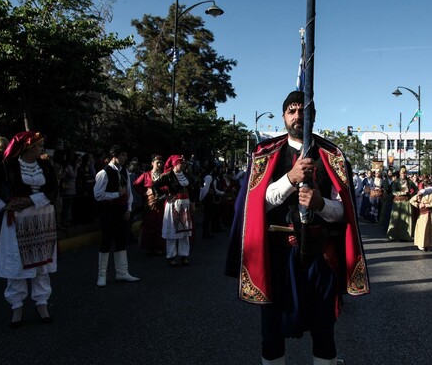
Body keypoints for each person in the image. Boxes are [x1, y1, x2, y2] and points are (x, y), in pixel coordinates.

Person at [225, 91, 369, 365]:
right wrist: (289, 180)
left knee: (324, 328)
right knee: (272, 330)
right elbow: (254, 206)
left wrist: (320, 204)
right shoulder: (265, 155)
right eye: (291, 111)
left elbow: (343, 212)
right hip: (277, 255)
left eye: (304, 111)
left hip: (320, 255)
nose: (297, 116)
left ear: (313, 117)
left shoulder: (333, 156)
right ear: (283, 116)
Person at [0, 132, 57, 327]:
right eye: (39, 145)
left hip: (42, 220)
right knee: (17, 264)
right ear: (28, 147)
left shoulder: (44, 165)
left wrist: (31, 200)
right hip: (18, 221)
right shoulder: (8, 167)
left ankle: (42, 303)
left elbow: (53, 189)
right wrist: (3, 205)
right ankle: (16, 307)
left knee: (41, 264)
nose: (42, 149)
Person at [93, 145, 140, 287]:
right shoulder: (104, 173)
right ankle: (102, 275)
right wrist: (117, 194)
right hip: (108, 211)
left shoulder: (125, 171)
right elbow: (98, 194)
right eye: (123, 155)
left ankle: (122, 272)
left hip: (122, 210)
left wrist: (129, 208)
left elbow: (129, 193)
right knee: (106, 241)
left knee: (121, 240)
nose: (126, 158)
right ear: (115, 156)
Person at [153, 155, 193, 266]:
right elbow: (155, 185)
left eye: (184, 163)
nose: (184, 165)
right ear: (175, 164)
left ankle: (184, 255)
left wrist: (192, 202)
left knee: (185, 233)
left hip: (185, 205)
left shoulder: (185, 175)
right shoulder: (168, 175)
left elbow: (192, 187)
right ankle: (170, 256)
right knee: (172, 231)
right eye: (181, 163)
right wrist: (165, 196)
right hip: (174, 205)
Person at [133, 154, 165, 255]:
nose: (159, 164)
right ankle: (149, 246)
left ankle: (159, 247)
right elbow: (136, 184)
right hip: (150, 204)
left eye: (161, 162)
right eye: (157, 162)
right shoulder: (146, 174)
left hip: (161, 202)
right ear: (152, 163)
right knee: (149, 224)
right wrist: (144, 193)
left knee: (160, 224)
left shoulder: (164, 175)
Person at [386, 166, 417, 242]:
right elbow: (393, 192)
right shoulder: (396, 182)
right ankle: (393, 235)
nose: (404, 174)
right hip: (397, 203)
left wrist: (411, 195)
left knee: (406, 218)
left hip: (406, 202)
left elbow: (416, 189)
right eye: (402, 173)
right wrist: (402, 192)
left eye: (405, 173)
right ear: (400, 173)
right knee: (396, 219)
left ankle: (405, 236)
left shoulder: (409, 181)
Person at [409, 180, 432, 251]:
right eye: (427, 186)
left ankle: (427, 244)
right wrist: (418, 205)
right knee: (422, 229)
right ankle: (420, 244)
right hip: (422, 214)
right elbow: (411, 200)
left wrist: (425, 205)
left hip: (429, 213)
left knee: (428, 230)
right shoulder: (420, 194)